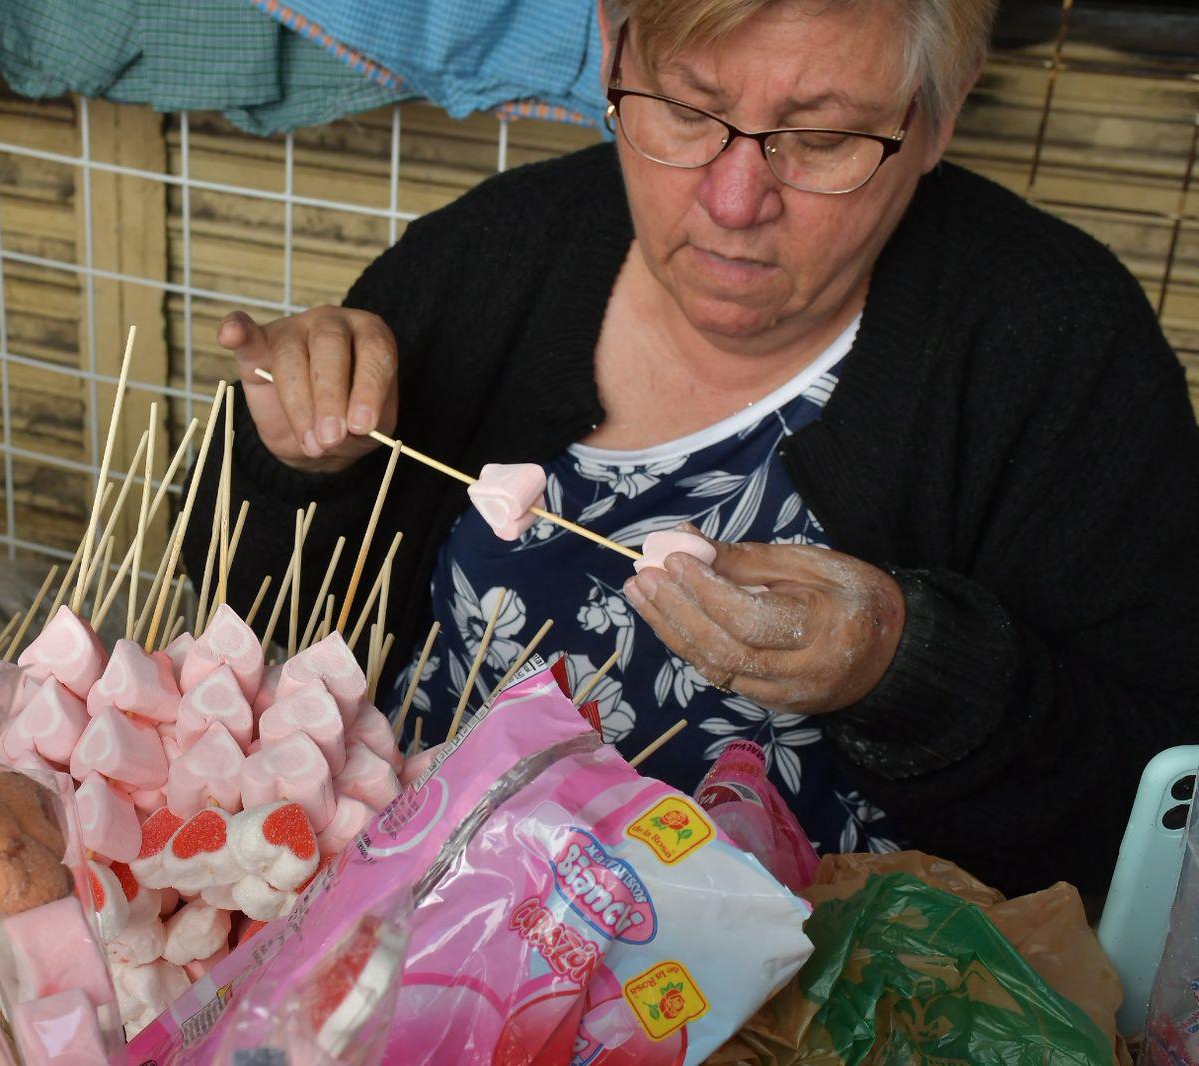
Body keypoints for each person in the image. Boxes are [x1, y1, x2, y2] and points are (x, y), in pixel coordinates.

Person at [182, 0, 1199, 896]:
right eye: (682, 110)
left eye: (823, 138)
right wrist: (300, 462)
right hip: (410, 935)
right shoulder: (495, 257)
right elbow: (242, 626)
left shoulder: (1056, 344)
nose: (732, 201)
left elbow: (1154, 805)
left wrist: (908, 664)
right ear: (612, 54)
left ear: (937, 117)